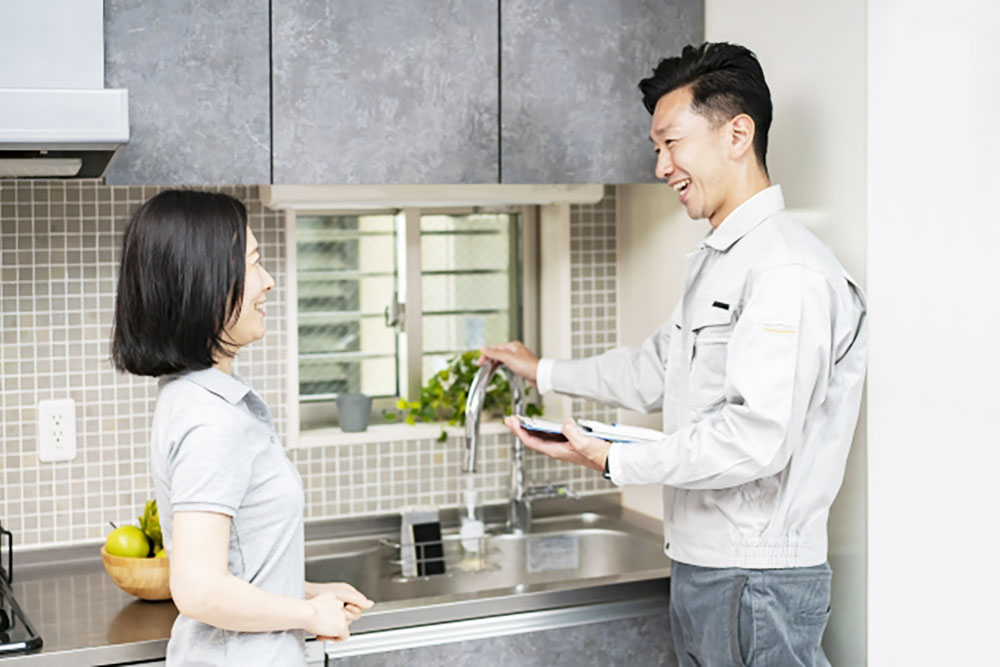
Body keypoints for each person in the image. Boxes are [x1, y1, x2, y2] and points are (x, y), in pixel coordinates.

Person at [481, 42, 867, 667]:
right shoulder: (721, 261)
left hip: (754, 580)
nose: (660, 166)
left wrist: (617, 460)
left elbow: (756, 439)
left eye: (671, 143)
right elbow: (654, 371)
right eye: (656, 148)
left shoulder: (786, 271)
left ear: (737, 134)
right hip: (710, 571)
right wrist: (543, 371)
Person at [111, 190, 373, 666]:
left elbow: (236, 566)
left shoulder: (195, 397)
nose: (268, 281)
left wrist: (307, 592)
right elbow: (200, 590)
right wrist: (309, 614)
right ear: (205, 284)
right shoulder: (211, 420)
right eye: (253, 263)